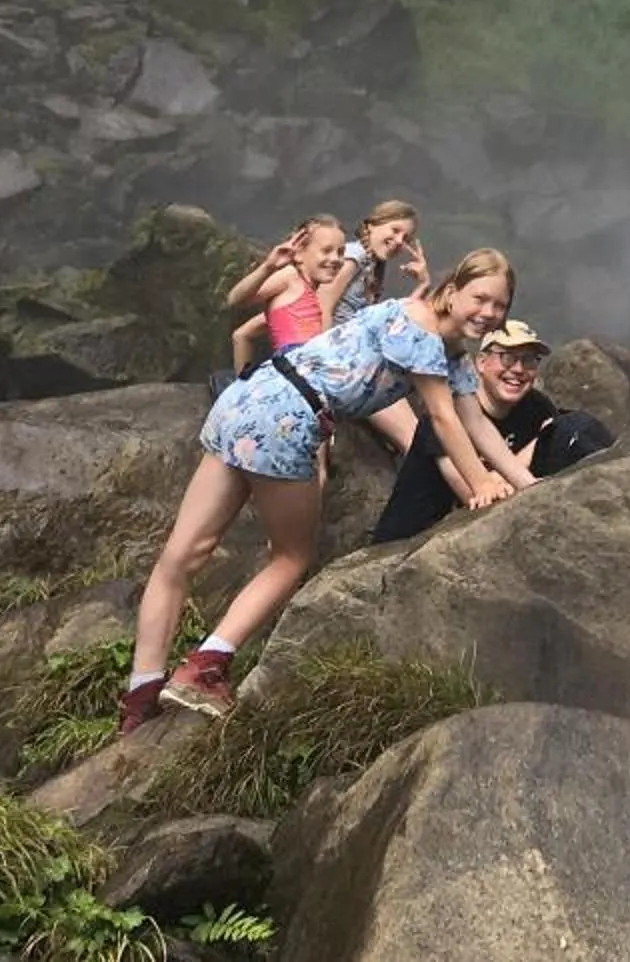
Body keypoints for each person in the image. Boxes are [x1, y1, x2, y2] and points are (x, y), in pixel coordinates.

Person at [120, 247, 526, 730]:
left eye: (500, 305)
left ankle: (140, 700)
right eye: (481, 298)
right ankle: (204, 668)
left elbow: (474, 422)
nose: (489, 312)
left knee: (181, 557)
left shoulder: (450, 351)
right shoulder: (419, 325)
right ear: (453, 291)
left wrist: (527, 484)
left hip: (247, 397)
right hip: (287, 418)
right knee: (290, 558)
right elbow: (440, 416)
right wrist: (480, 483)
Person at [367, 319, 612, 544]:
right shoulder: (446, 416)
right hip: (413, 545)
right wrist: (532, 449)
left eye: (529, 360)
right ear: (481, 363)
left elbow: (555, 440)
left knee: (577, 429)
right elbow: (472, 495)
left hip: (503, 532)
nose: (518, 369)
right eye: (507, 357)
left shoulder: (536, 407)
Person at [322, 200, 429, 453]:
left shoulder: (373, 266)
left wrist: (423, 284)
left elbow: (395, 319)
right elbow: (322, 305)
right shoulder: (354, 256)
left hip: (361, 358)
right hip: (347, 364)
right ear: (371, 225)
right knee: (413, 440)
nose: (399, 241)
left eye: (406, 237)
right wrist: (325, 363)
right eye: (394, 230)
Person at [222, 217, 347, 383]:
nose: (336, 258)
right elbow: (235, 299)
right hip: (295, 373)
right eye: (326, 251)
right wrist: (268, 267)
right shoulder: (290, 276)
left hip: (306, 372)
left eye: (340, 252)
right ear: (299, 254)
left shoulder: (301, 298)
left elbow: (242, 334)